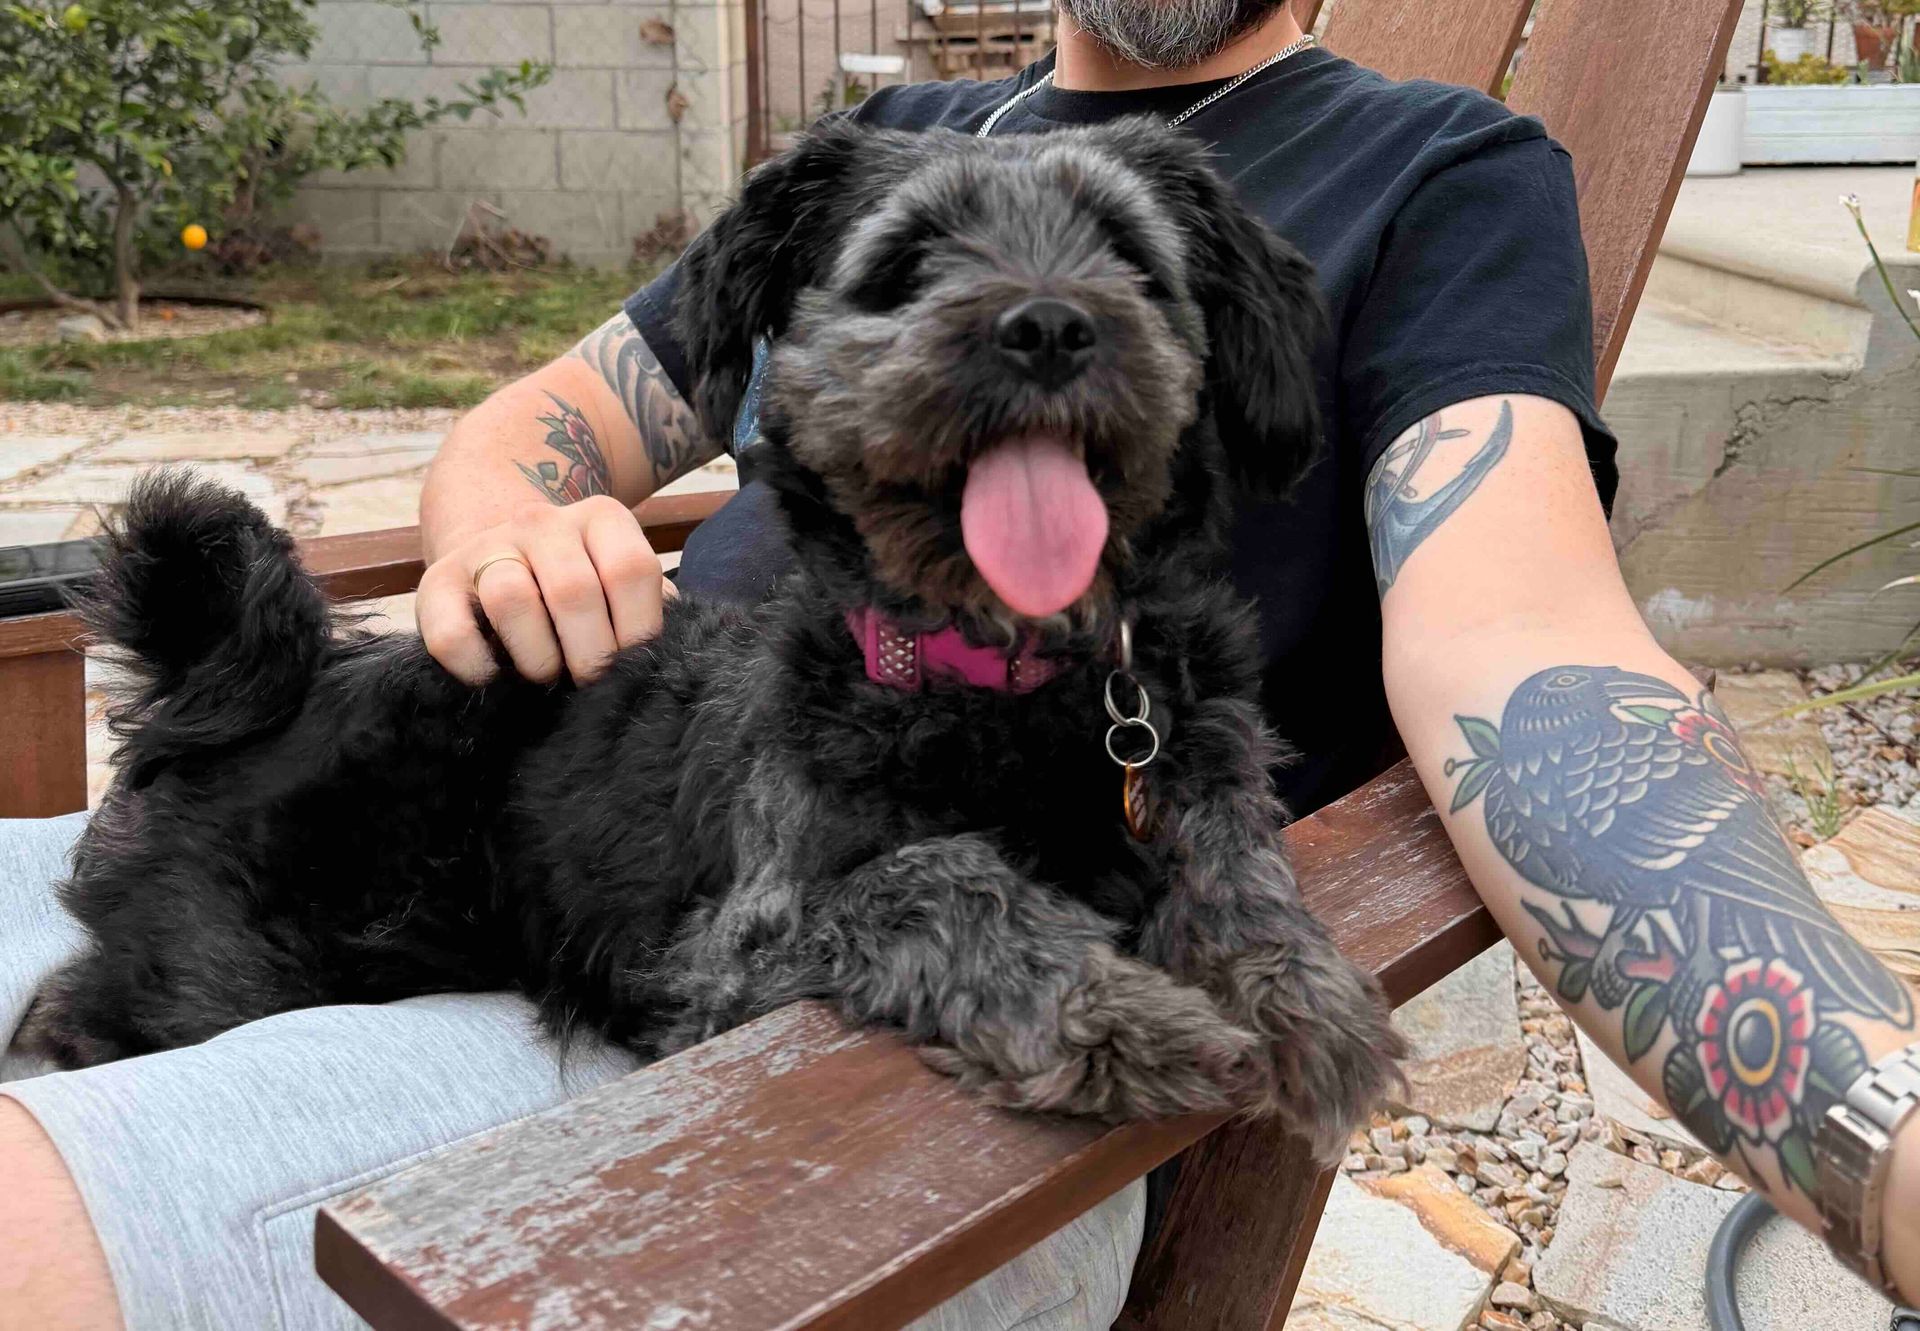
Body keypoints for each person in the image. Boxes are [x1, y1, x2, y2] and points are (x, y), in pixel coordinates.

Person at [5, 0, 1918, 1323]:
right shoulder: (871, 153)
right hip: (514, 823)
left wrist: (1880, 1131)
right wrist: (503, 517)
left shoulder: (1435, 169)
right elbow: (538, 428)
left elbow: (1532, 648)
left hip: (852, 1073)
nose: (1032, 316)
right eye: (919, 284)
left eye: (1113, 284)